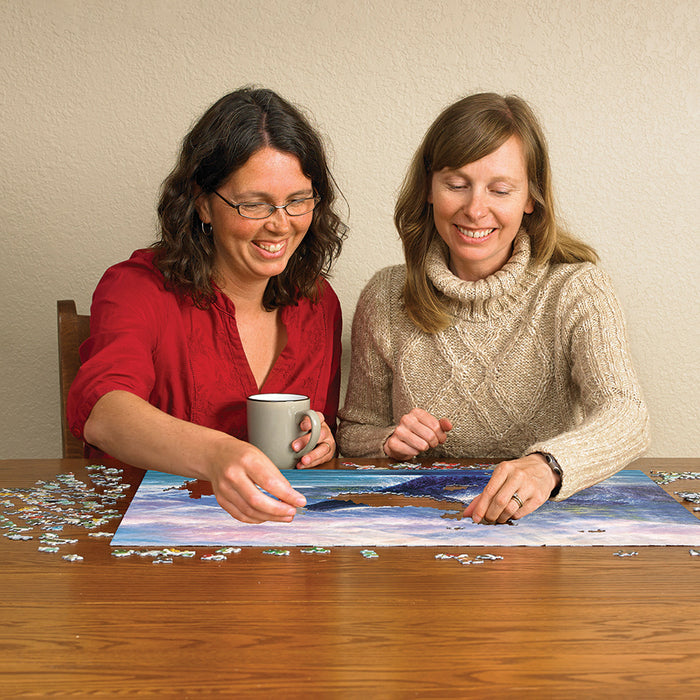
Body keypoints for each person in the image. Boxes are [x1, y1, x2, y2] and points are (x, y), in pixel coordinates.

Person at [337, 92, 649, 524]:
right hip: (424, 528)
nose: (475, 209)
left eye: (500, 189)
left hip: (543, 527)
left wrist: (547, 466)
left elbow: (627, 414)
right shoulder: (386, 295)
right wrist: (389, 441)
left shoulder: (577, 288)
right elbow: (353, 434)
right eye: (457, 185)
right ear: (429, 188)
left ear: (530, 198)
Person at [68, 87, 347, 524]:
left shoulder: (319, 303)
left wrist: (323, 441)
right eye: (253, 203)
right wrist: (218, 455)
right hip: (150, 548)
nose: (280, 223)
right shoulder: (136, 288)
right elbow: (104, 412)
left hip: (280, 548)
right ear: (202, 202)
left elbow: (317, 433)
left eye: (298, 200)